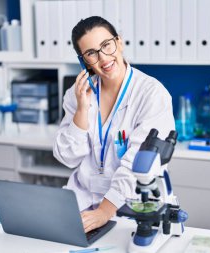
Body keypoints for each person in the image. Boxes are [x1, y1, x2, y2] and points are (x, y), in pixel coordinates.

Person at [53, 16, 175, 233]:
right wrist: (82, 108)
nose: (103, 58)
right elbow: (67, 157)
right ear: (83, 61)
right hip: (82, 206)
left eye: (106, 45)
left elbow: (138, 165)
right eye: (91, 53)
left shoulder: (151, 94)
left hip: (133, 208)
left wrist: (104, 212)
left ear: (119, 43)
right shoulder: (77, 94)